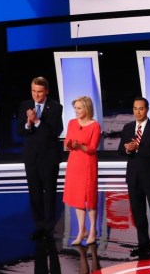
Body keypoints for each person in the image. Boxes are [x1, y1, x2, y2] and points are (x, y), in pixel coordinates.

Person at [118, 97, 150, 259]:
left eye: (141, 109)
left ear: (147, 109)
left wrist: (138, 148)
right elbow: (119, 150)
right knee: (138, 213)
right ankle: (143, 244)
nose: (138, 112)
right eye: (135, 108)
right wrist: (127, 149)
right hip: (133, 177)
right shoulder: (128, 128)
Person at [17, 76, 63, 240]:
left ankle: (49, 228)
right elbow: (20, 131)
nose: (36, 95)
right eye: (34, 91)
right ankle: (39, 226)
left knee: (49, 194)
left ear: (47, 91)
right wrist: (28, 124)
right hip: (31, 158)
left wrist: (37, 121)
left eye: (40, 92)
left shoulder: (56, 107)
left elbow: (54, 132)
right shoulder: (25, 105)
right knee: (34, 194)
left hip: (49, 158)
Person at [63, 96, 102, 246]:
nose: (76, 111)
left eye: (79, 108)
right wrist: (70, 145)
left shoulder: (95, 126)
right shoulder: (72, 123)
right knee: (78, 198)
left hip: (88, 164)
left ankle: (93, 230)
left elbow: (92, 148)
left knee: (89, 197)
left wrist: (80, 146)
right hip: (74, 163)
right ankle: (82, 230)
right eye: (75, 108)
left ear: (87, 109)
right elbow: (67, 141)